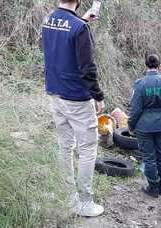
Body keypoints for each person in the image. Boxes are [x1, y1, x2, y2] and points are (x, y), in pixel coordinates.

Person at [42, 0, 105, 217]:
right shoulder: (79, 28)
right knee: (88, 149)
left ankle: (67, 195)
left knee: (65, 146)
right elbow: (87, 68)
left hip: (54, 93)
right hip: (77, 98)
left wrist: (84, 21)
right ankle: (85, 202)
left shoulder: (48, 19)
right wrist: (98, 96)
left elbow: (61, 43)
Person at [128, 54, 161, 198]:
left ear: (146, 66)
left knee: (149, 158)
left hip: (144, 127)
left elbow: (136, 109)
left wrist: (131, 125)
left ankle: (153, 187)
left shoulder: (140, 84)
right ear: (159, 66)